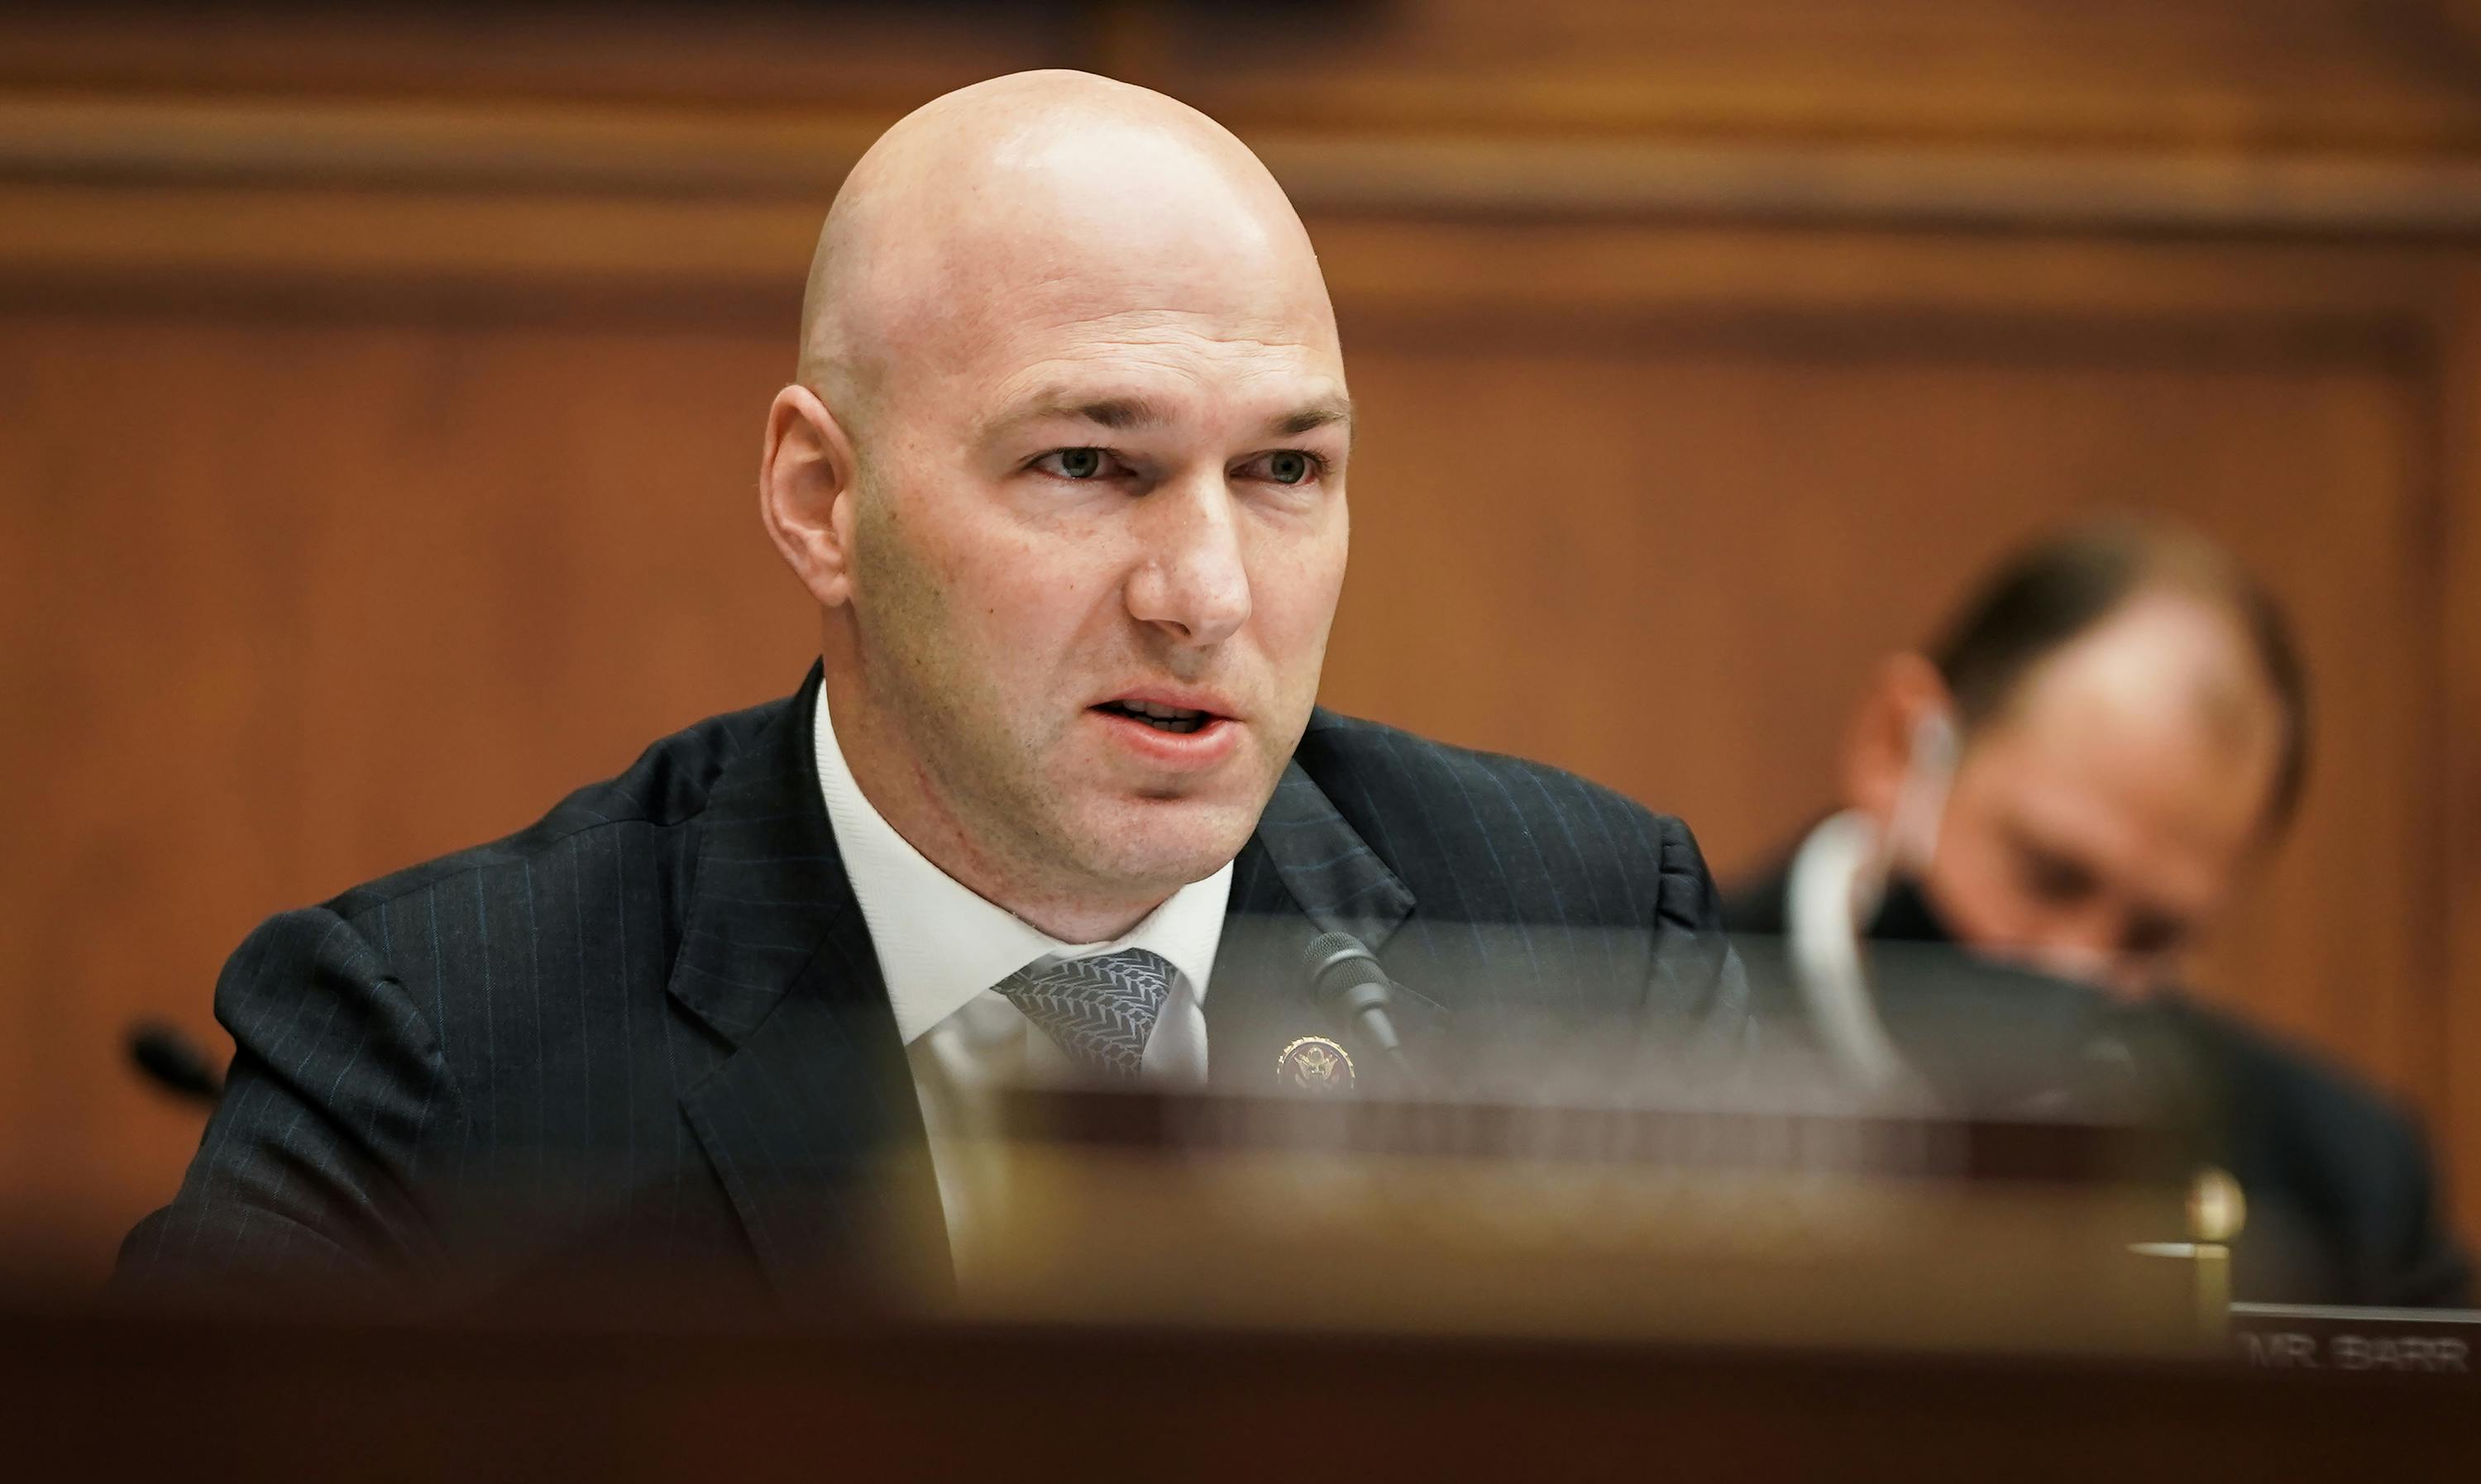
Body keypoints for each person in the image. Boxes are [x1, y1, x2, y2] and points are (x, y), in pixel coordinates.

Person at [122, 72, 1743, 1307]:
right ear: (824, 501)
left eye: (1286, 468)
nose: (1206, 593)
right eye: (1089, 462)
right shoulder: (445, 1046)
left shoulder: (1588, 937)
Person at [1726, 515, 2468, 1306]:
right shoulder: (1648, 999)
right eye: (2048, 876)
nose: (2075, 966)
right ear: (1900, 746)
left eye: (2153, 935)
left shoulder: (2336, 1189)